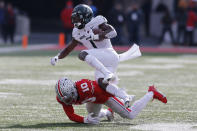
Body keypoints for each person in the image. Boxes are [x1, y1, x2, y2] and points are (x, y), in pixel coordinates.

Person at [51, 4, 141, 107]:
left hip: (108, 53)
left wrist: (96, 36)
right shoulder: (76, 32)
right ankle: (125, 97)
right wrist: (58, 56)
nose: (75, 21)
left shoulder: (97, 21)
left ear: (86, 16)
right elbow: (68, 49)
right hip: (101, 60)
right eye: (74, 18)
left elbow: (113, 33)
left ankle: (107, 73)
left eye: (78, 18)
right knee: (102, 84)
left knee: (83, 54)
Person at [55, 77, 167, 124]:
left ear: (73, 90)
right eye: (66, 99)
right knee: (92, 119)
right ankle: (108, 112)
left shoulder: (85, 87)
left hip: (106, 96)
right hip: (93, 100)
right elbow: (71, 115)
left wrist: (121, 96)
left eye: (69, 98)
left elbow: (104, 86)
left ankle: (151, 93)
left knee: (129, 115)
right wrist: (84, 120)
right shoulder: (63, 98)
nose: (68, 102)